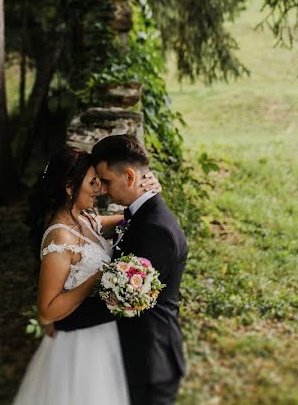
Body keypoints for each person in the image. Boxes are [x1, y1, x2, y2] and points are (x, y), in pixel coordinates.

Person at [13, 146, 161, 405]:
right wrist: (98, 278)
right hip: (77, 344)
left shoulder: (86, 219)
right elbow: (46, 312)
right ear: (70, 187)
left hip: (101, 334)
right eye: (93, 182)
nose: (100, 189)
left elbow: (125, 219)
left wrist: (147, 195)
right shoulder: (60, 237)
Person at [55, 134, 188, 405]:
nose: (101, 189)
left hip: (149, 363)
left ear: (129, 177)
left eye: (105, 181)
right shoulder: (140, 215)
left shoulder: (155, 231)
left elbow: (120, 301)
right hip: (128, 356)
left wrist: (60, 319)